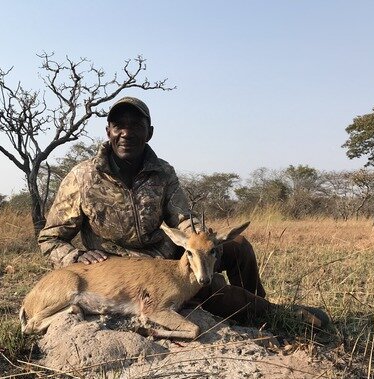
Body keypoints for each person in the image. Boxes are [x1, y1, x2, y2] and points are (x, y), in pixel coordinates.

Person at [37, 97, 329, 328]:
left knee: (238, 247)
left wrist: (201, 240)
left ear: (149, 132)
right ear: (109, 131)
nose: (127, 133)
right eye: (119, 125)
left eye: (136, 125)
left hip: (168, 255)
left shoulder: (163, 172)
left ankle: (257, 308)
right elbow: (50, 239)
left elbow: (181, 218)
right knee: (211, 290)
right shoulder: (82, 176)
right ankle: (276, 315)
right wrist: (75, 257)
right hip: (124, 272)